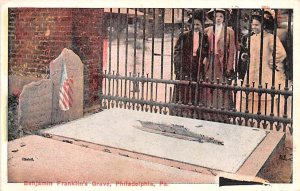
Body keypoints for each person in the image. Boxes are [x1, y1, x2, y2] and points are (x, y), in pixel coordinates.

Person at [239, 10, 288, 117]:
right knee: (251, 95)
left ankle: (265, 120)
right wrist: (246, 56)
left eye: (257, 25)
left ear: (262, 25)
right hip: (252, 72)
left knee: (265, 96)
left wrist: (271, 61)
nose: (254, 27)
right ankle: (251, 118)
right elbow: (250, 53)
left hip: (265, 72)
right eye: (252, 24)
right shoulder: (251, 38)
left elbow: (281, 53)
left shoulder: (270, 37)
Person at [172, 9, 209, 117]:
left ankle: (194, 112)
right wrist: (179, 66)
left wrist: (203, 57)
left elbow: (206, 51)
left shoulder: (204, 37)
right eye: (194, 24)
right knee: (183, 88)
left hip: (197, 66)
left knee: (195, 88)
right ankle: (181, 111)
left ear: (201, 25)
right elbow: (177, 51)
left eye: (198, 24)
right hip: (185, 65)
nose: (196, 26)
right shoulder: (184, 36)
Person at [204, 9, 236, 121]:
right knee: (209, 85)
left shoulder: (229, 31)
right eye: (216, 16)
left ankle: (223, 113)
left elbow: (232, 50)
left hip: (221, 62)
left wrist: (229, 66)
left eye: (220, 16)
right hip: (210, 61)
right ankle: (209, 112)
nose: (218, 18)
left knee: (222, 85)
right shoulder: (207, 30)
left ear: (224, 18)